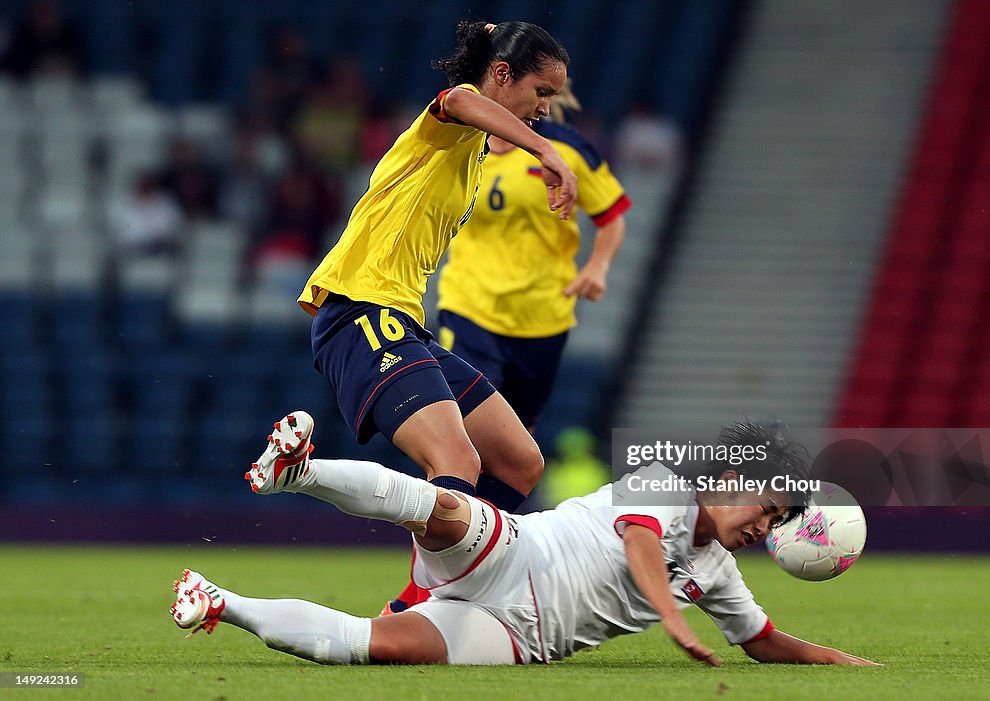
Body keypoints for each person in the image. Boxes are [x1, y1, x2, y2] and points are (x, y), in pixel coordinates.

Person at [170, 416, 878, 667]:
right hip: (515, 550)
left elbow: (759, 638)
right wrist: (668, 616)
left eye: (778, 519)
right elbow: (638, 543)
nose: (765, 525)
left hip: (515, 636)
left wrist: (843, 661)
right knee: (443, 509)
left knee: (374, 646)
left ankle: (217, 599)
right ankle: (300, 470)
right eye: (768, 504)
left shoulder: (718, 572)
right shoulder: (662, 481)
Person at [294, 21, 577, 521]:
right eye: (541, 92)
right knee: (456, 461)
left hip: (403, 320)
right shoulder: (458, 117)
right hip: (361, 307)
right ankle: (419, 595)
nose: (545, 108)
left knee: (519, 464)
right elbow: (460, 99)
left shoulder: (472, 154)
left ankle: (439, 588)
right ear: (503, 73)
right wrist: (546, 149)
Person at [434, 81, 630, 432]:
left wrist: (598, 267)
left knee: (518, 437)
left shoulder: (567, 148)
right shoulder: (459, 143)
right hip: (469, 305)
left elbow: (611, 217)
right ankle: (452, 486)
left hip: (542, 314)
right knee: (467, 423)